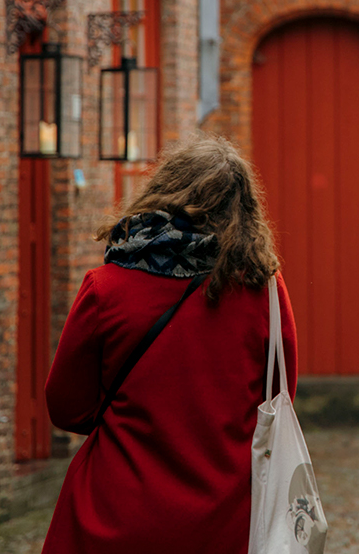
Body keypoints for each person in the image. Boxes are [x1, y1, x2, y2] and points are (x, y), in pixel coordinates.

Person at [41, 136, 297, 554]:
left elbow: (66, 406)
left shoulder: (106, 289)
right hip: (225, 524)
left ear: (163, 192)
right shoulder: (265, 292)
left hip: (113, 516)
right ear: (245, 209)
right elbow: (278, 399)